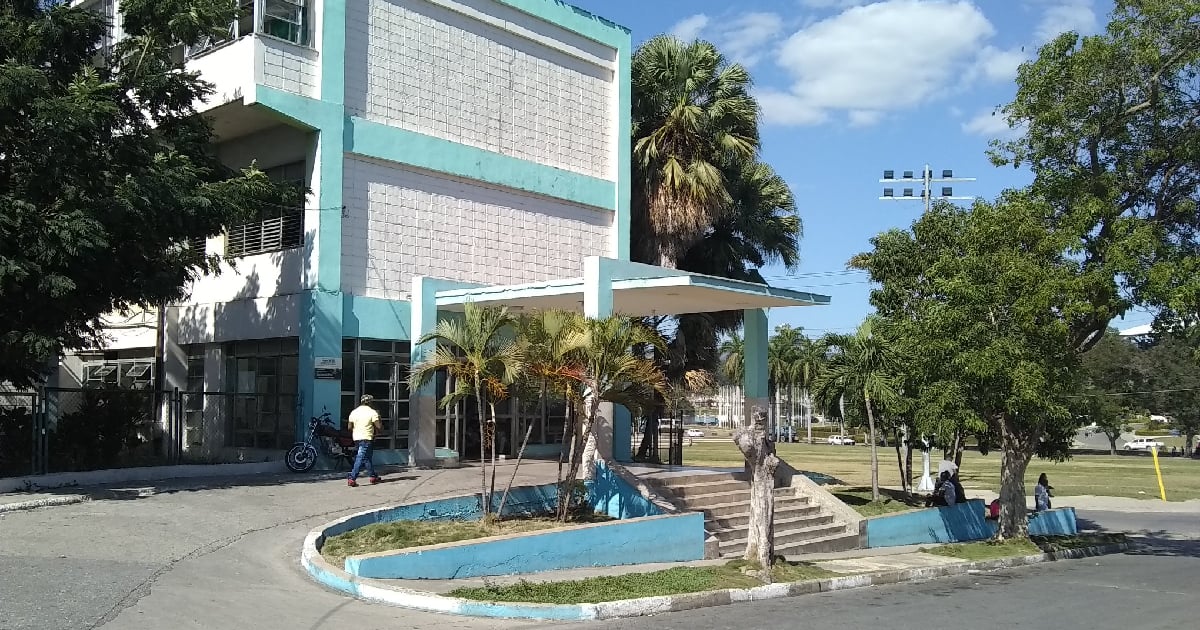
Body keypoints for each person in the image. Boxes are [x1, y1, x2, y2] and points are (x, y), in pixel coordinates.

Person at [347, 395, 383, 487]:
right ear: (370, 402)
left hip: (356, 438)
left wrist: (357, 431)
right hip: (367, 438)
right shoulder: (372, 412)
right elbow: (378, 427)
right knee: (361, 457)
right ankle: (352, 478)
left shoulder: (354, 412)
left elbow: (349, 427)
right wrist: (379, 422)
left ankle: (373, 476)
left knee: (367, 458)